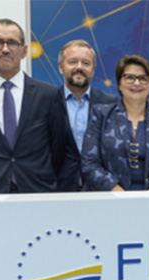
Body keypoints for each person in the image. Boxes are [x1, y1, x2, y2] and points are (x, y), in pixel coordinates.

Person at [0, 18, 76, 193]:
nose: (5, 49)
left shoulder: (49, 95)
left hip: (37, 190)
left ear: (24, 51)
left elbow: (59, 148)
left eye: (13, 43)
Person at [81, 55, 149, 191]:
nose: (136, 83)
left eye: (143, 78)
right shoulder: (101, 115)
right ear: (119, 83)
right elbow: (89, 163)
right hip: (109, 202)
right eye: (130, 77)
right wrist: (117, 191)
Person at [57, 39, 117, 190]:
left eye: (85, 63)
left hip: (100, 190)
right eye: (72, 62)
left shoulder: (110, 103)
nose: (79, 67)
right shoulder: (46, 101)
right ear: (61, 67)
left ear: (93, 69)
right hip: (58, 190)